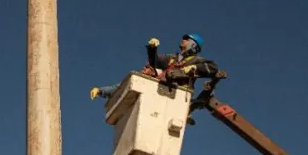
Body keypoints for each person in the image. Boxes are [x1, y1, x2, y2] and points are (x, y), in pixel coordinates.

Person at [89, 33, 224, 101]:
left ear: (193, 45)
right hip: (162, 91)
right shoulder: (172, 58)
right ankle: (102, 92)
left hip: (179, 95)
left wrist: (192, 69)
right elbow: (155, 62)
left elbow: (213, 68)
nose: (183, 40)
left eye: (186, 39)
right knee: (136, 82)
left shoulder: (196, 60)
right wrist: (152, 49)